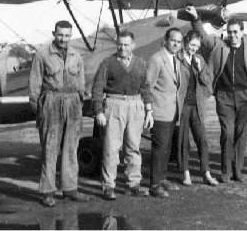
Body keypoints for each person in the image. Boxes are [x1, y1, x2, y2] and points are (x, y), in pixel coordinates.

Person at [186, 6, 247, 183]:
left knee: (241, 135)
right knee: (227, 133)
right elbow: (204, 37)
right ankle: (225, 171)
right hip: (225, 96)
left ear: (242, 32)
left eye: (236, 32)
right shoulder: (220, 46)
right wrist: (195, 18)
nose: (233, 35)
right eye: (230, 32)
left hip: (246, 96)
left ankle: (238, 170)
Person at [29, 20, 87, 207]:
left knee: (71, 148)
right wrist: (38, 108)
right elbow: (34, 84)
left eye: (67, 35)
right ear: (54, 33)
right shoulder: (42, 55)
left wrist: (79, 101)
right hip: (51, 101)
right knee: (50, 149)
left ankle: (70, 189)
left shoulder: (76, 55)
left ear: (71, 36)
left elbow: (80, 82)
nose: (63, 39)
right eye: (60, 34)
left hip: (72, 102)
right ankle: (47, 191)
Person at [91, 30, 154, 200]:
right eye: (120, 44)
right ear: (116, 44)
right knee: (111, 148)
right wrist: (98, 111)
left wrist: (149, 111)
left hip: (135, 105)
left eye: (126, 45)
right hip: (114, 104)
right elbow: (97, 88)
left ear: (133, 45)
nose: (122, 48)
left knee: (133, 147)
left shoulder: (140, 63)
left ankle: (134, 184)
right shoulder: (107, 62)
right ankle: (109, 186)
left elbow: (146, 88)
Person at [176, 29, 219, 186]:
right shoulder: (177, 58)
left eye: (197, 46)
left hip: (196, 105)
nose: (194, 48)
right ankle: (185, 173)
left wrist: (200, 69)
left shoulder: (199, 58)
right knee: (183, 140)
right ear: (186, 42)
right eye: (192, 45)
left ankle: (206, 173)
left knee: (202, 139)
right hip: (182, 105)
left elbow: (208, 81)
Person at [146, 27, 183, 198]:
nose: (176, 44)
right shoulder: (156, 59)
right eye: (173, 40)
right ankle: (154, 184)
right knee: (159, 147)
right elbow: (147, 86)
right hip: (159, 111)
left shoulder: (176, 59)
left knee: (167, 147)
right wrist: (148, 111)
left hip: (172, 111)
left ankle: (162, 179)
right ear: (166, 40)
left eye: (179, 41)